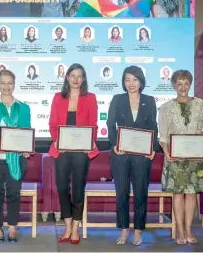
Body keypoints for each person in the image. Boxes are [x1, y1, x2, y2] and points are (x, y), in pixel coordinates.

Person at [106, 65, 158, 246]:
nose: (131, 83)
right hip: (121, 154)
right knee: (121, 192)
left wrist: (153, 148)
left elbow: (153, 127)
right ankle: (123, 229)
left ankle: (138, 231)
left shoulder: (150, 100)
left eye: (135, 79)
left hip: (142, 155)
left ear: (141, 81)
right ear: (123, 82)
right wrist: (114, 146)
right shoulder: (117, 99)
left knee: (141, 193)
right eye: (127, 79)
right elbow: (110, 124)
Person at [48, 63, 99, 245]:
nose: (76, 79)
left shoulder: (91, 98)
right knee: (61, 187)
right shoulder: (57, 97)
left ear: (83, 79)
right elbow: (53, 124)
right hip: (61, 149)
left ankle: (76, 228)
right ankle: (67, 225)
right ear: (67, 77)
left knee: (78, 188)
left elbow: (93, 125)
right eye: (72, 76)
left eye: (80, 76)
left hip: (81, 151)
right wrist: (57, 141)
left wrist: (89, 142)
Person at [158, 69, 203, 245]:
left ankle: (189, 229)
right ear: (173, 85)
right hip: (174, 158)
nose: (183, 87)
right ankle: (179, 229)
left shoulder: (201, 105)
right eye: (179, 83)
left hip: (195, 159)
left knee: (192, 193)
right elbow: (163, 135)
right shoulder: (165, 108)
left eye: (186, 83)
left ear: (190, 84)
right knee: (178, 194)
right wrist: (167, 152)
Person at [0, 69, 32, 242]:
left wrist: (26, 148)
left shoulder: (24, 108)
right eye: (3, 83)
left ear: (14, 84)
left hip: (15, 159)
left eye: (9, 82)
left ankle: (12, 227)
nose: (6, 86)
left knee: (14, 194)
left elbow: (26, 132)